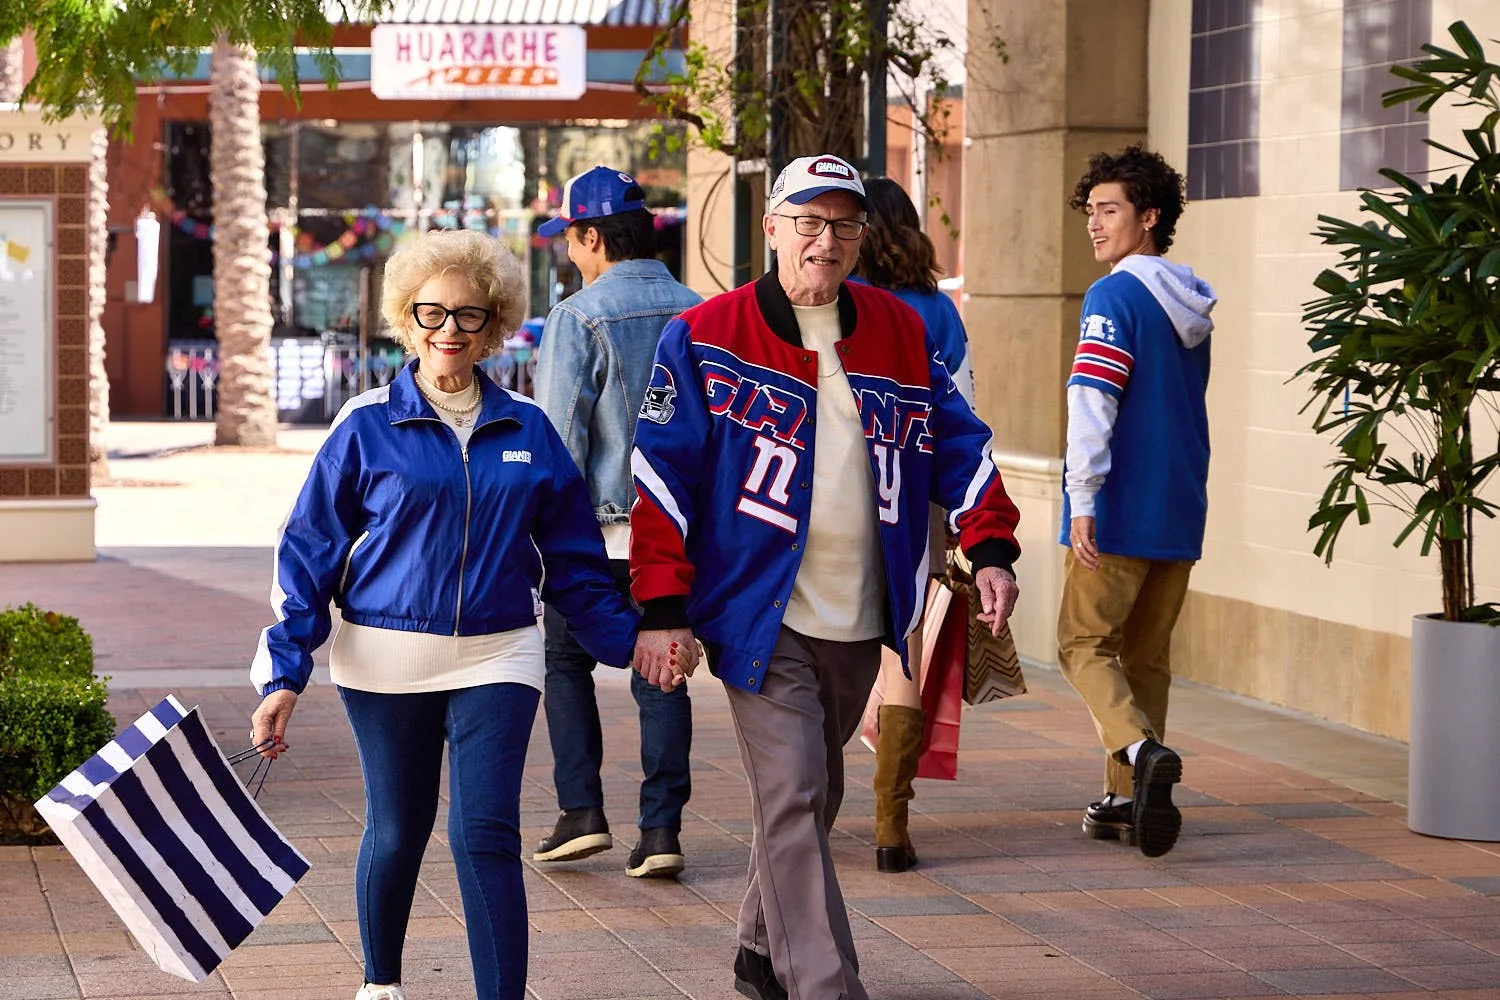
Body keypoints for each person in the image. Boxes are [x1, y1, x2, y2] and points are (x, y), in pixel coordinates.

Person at [628, 154, 1022, 1000]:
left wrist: (990, 544)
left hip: (863, 612)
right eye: (807, 220)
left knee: (816, 792)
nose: (826, 239)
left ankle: (758, 950)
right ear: (771, 228)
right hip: (757, 616)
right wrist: (663, 607)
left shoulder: (899, 329)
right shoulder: (704, 335)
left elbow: (960, 442)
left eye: (844, 223)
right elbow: (662, 478)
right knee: (798, 793)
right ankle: (825, 985)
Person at [247, 229, 639, 1000]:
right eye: (432, 313)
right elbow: (309, 552)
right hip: (383, 656)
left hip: (500, 652)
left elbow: (575, 563)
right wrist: (284, 673)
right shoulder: (365, 424)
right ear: (408, 317)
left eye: (469, 316)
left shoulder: (529, 429)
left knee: (484, 831)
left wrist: (635, 643)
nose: (449, 331)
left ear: (494, 325)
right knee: (399, 829)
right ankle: (381, 984)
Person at [532, 165, 703, 878]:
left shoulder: (578, 316)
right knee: (663, 674)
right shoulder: (702, 311)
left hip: (601, 534)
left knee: (566, 662)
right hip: (682, 537)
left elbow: (556, 441)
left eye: (569, 239)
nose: (569, 253)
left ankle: (582, 812)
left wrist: (538, 537)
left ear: (594, 235)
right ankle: (660, 831)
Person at [1058, 144, 1215, 859]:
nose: (1095, 225)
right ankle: (1128, 798)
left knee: (1082, 644)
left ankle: (1142, 754)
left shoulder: (1114, 296)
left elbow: (1094, 399)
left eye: (1110, 210)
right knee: (1145, 657)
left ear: (1149, 216)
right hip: (1180, 503)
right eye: (1091, 211)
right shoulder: (1191, 303)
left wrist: (1082, 495)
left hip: (1118, 505)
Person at [852, 175, 977, 874]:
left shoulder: (841, 306)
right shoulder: (938, 310)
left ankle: (803, 804)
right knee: (903, 644)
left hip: (846, 497)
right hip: (922, 496)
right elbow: (968, 413)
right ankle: (891, 824)